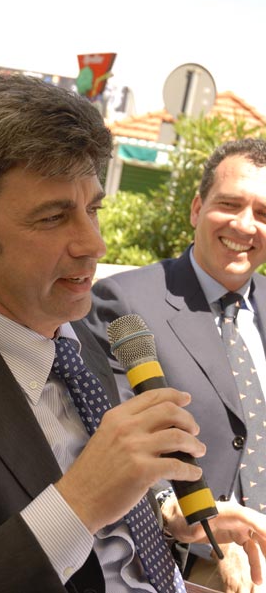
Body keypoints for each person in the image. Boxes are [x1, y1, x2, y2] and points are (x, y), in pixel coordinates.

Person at [0, 78, 265, 593]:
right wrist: (79, 504)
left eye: (93, 210)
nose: (94, 244)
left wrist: (166, 514)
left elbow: (109, 505)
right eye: (54, 217)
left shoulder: (79, 339)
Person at [86, 138, 266, 592]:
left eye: (263, 213)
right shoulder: (123, 303)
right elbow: (108, 434)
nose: (245, 225)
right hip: (189, 567)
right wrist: (185, 516)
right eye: (230, 204)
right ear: (196, 208)